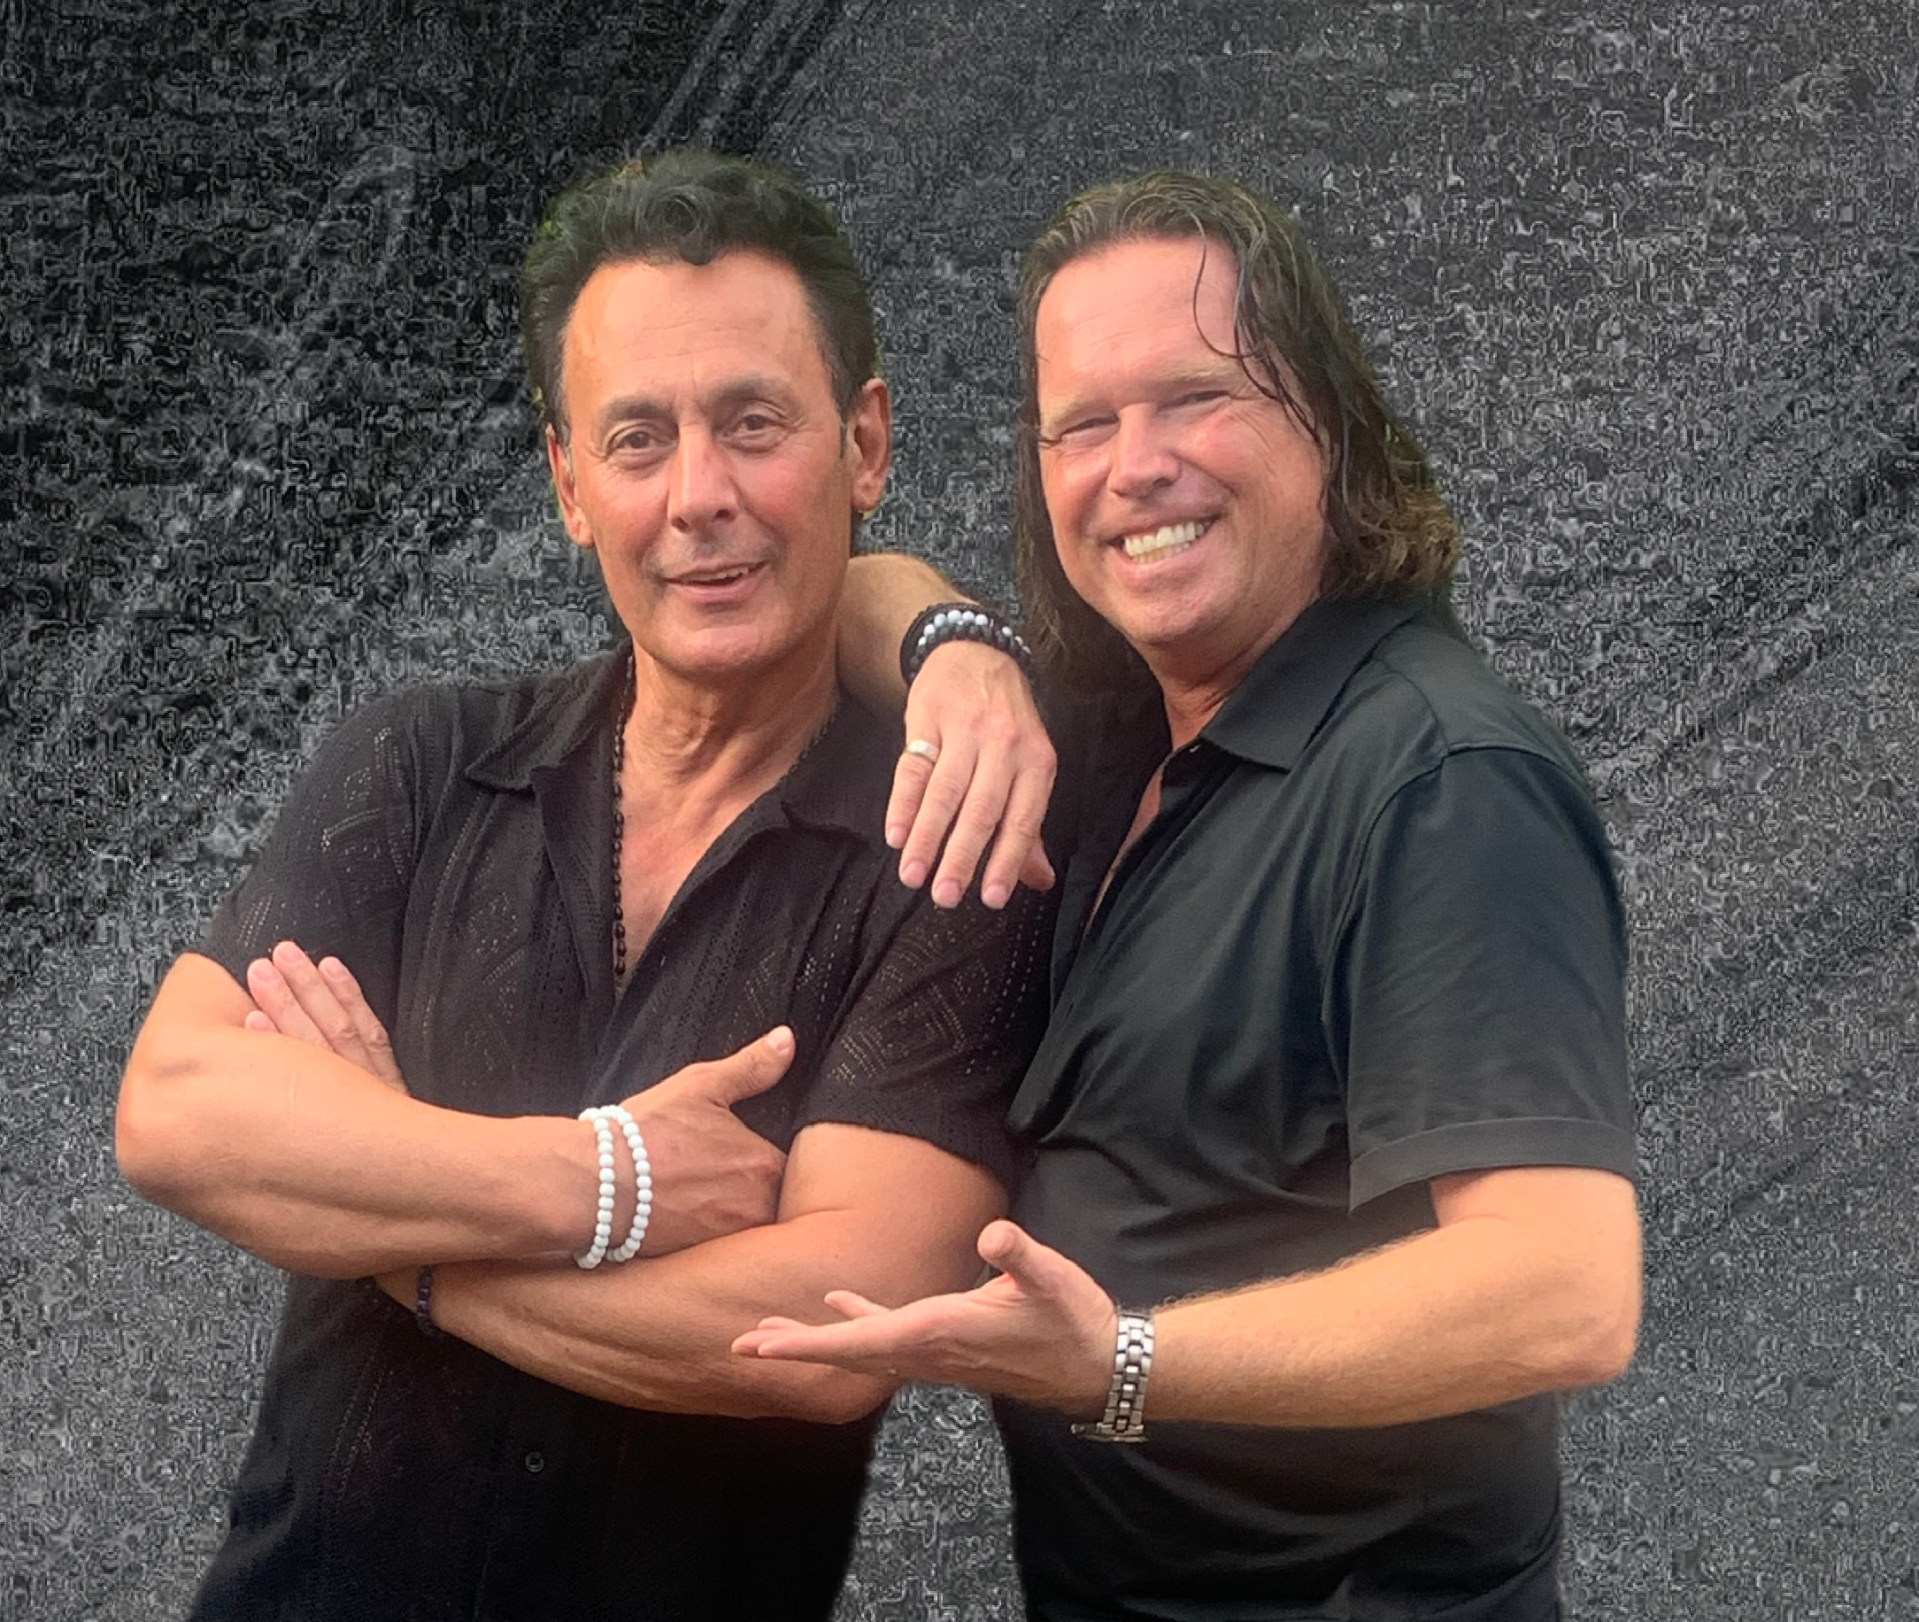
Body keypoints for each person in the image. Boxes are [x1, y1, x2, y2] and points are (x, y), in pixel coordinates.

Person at [113, 150, 1056, 1622]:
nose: (698, 497)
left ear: (865, 444)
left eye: (753, 424)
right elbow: (177, 1110)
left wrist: (397, 1234)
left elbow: (836, 1323)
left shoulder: (948, 855)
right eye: (637, 439)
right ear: (566, 484)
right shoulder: (415, 765)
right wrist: (608, 1182)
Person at [743, 170, 1643, 1621]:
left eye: (1193, 399)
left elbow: (1562, 1291)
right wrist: (955, 650)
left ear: (1324, 419)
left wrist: (1120, 1361)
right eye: (1082, 424)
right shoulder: (1120, 724)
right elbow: (850, 587)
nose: (1136, 466)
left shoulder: (1436, 779)